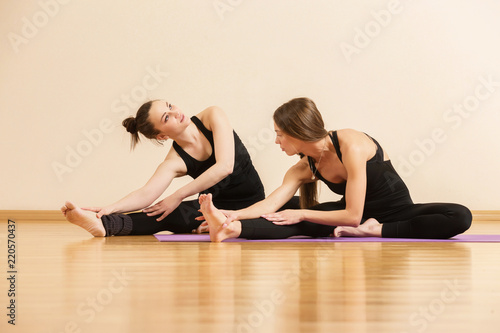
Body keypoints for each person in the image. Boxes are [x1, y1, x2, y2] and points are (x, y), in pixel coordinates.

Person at [198, 97, 473, 242]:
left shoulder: (351, 144)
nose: (276, 141)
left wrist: (304, 213)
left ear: (297, 132)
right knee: (288, 213)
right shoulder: (304, 167)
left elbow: (353, 216)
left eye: (280, 134)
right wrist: (233, 215)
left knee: (459, 216)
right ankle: (229, 232)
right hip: (351, 216)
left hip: (395, 213)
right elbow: (271, 204)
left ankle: (375, 231)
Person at [61, 100, 286, 237]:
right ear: (162, 135)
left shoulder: (212, 116)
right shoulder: (175, 160)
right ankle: (104, 226)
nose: (175, 112)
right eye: (166, 117)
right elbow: (146, 194)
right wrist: (109, 209)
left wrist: (178, 196)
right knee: (163, 213)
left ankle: (220, 224)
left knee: (173, 205)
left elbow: (225, 166)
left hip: (253, 203)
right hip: (214, 208)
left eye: (169, 106)